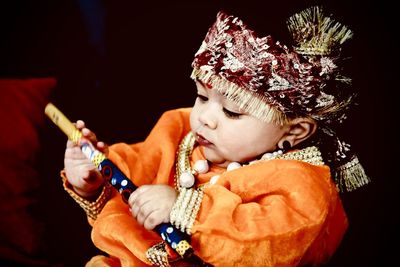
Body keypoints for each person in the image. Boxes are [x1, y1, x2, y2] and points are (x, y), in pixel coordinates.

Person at [61, 6, 370, 267]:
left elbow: (272, 241)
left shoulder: (302, 186)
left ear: (294, 131)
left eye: (233, 112)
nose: (206, 118)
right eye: (202, 97)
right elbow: (134, 168)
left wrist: (185, 208)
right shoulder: (179, 129)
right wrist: (93, 178)